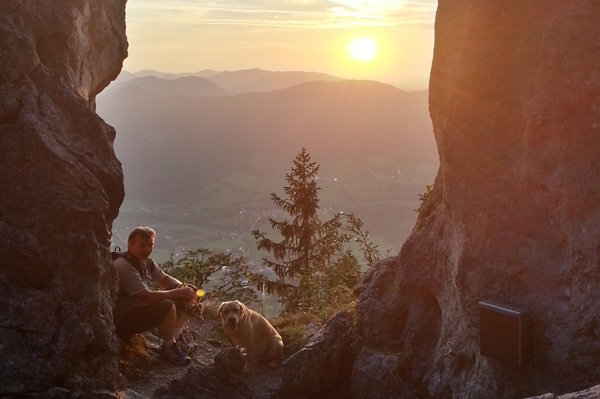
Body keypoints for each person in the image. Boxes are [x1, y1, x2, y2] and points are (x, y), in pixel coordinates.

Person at [113, 226, 197, 366]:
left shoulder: (146, 262)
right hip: (122, 320)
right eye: (142, 245)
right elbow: (146, 297)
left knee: (184, 294)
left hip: (138, 310)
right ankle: (169, 347)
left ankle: (176, 337)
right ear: (130, 245)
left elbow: (163, 279)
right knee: (167, 305)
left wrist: (183, 288)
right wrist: (178, 292)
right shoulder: (124, 265)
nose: (147, 249)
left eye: (150, 245)